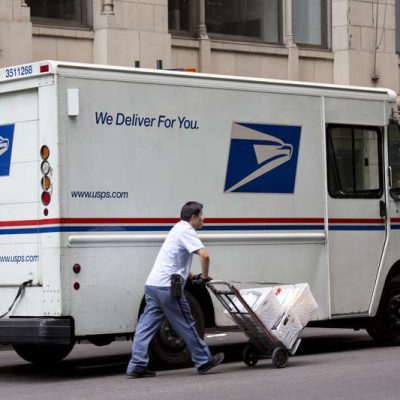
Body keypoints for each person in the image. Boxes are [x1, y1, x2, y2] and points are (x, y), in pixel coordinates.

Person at [126, 201, 224, 378]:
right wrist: (203, 277)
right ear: (193, 217)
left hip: (153, 285)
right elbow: (204, 255)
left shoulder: (176, 228)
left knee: (145, 326)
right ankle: (203, 360)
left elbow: (175, 260)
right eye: (201, 215)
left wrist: (191, 275)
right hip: (167, 287)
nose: (204, 219)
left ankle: (136, 365)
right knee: (187, 322)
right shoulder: (187, 230)